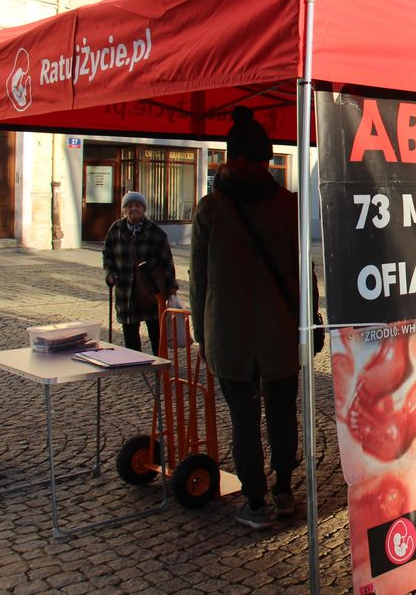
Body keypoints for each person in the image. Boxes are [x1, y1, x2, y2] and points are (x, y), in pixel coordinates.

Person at [190, 106, 300, 531]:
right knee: (282, 412)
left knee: (244, 420)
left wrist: (201, 334)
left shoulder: (210, 210)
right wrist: (308, 320)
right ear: (266, 159)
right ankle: (285, 491)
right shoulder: (288, 206)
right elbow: (301, 273)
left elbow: (199, 281)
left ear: (230, 158)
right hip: (281, 330)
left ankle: (255, 502)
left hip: (229, 332)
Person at [102, 191, 178, 355]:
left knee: (156, 333)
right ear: (124, 210)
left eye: (137, 205)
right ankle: (135, 362)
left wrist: (171, 285)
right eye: (129, 206)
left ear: (144, 209)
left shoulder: (155, 231)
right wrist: (110, 273)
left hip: (151, 291)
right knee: (130, 335)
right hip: (126, 291)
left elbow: (166, 260)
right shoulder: (116, 229)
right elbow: (108, 255)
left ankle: (160, 362)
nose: (133, 208)